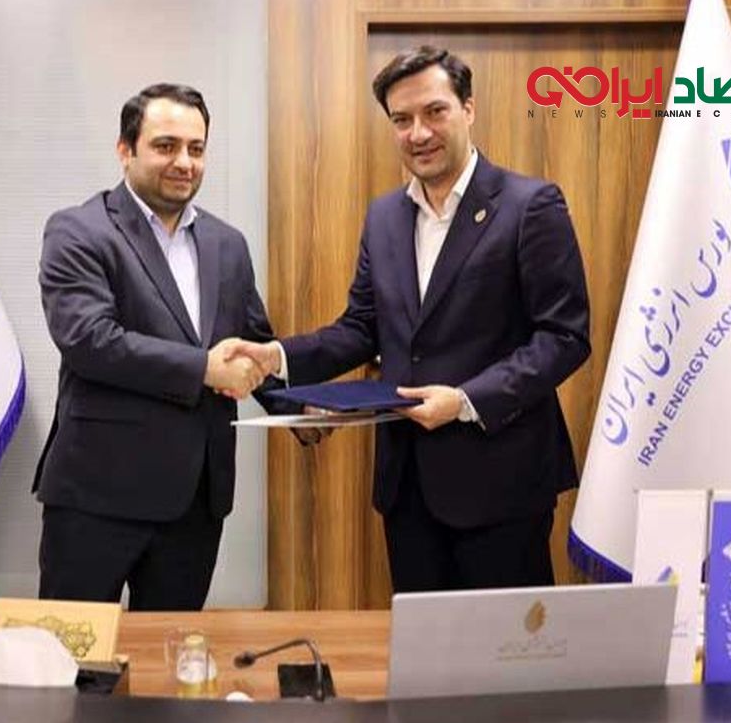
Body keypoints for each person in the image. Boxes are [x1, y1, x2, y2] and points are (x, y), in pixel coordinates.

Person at [232, 46, 591, 593]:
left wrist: (466, 400)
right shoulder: (384, 216)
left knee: (502, 643)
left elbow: (564, 337)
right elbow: (362, 326)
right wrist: (277, 357)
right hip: (408, 487)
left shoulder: (530, 205)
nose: (418, 133)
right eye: (402, 120)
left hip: (502, 482)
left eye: (434, 112)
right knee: (423, 642)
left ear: (468, 108)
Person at [34, 83, 294, 610]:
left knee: (174, 650)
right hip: (96, 497)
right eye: (166, 146)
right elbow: (89, 340)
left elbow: (252, 345)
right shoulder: (78, 231)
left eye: (196, 149)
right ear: (125, 150)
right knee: (75, 651)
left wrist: (303, 406)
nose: (184, 162)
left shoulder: (227, 243)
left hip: (194, 502)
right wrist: (204, 370)